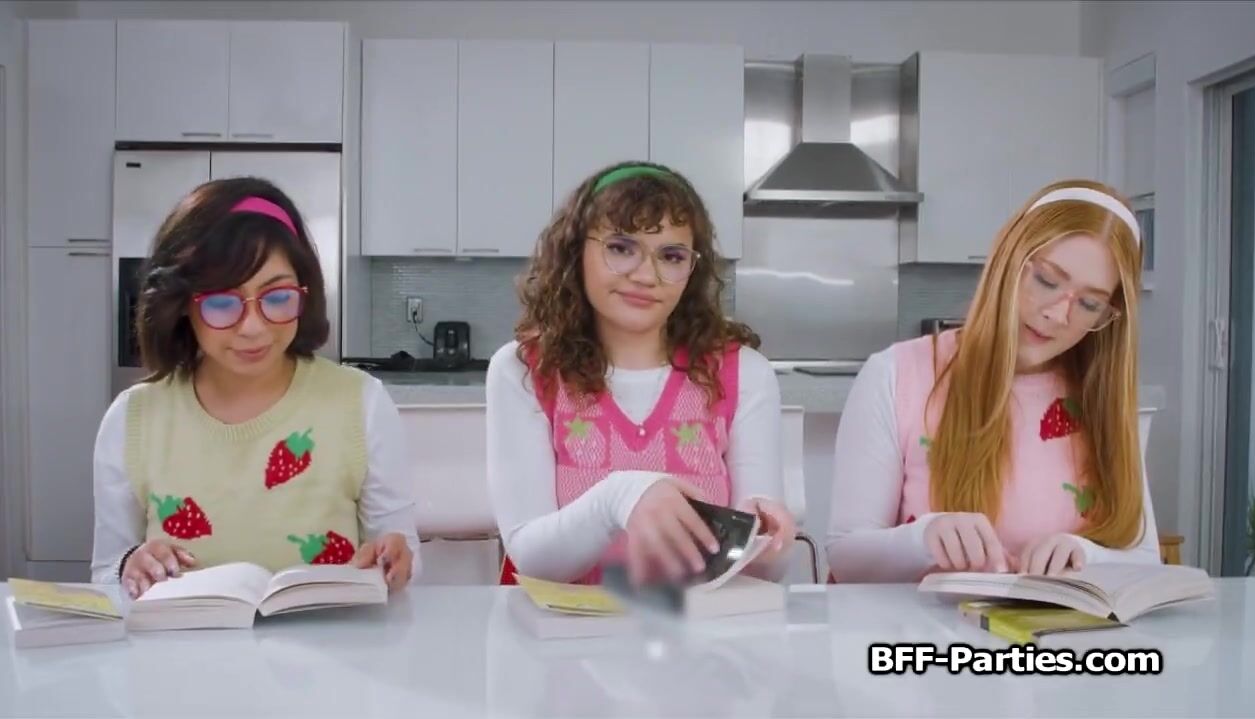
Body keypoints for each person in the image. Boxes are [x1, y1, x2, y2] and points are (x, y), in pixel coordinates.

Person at [91, 177, 419, 598]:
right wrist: (129, 566)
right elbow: (106, 573)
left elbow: (402, 554)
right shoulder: (133, 418)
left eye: (277, 297)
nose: (253, 327)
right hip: (183, 640)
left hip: (332, 639)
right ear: (183, 305)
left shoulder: (361, 403)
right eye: (221, 302)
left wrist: (395, 559)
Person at [827, 179, 1160, 583]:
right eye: (1047, 281)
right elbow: (845, 557)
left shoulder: (1101, 399)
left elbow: (1146, 560)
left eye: (1089, 304)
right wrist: (923, 539)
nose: (1058, 315)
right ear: (1008, 259)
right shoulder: (894, 375)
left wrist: (1085, 555)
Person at [486, 161, 796, 585]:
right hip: (562, 626)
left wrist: (768, 541)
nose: (647, 275)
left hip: (695, 624)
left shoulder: (744, 374)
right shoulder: (524, 371)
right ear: (576, 251)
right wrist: (620, 497)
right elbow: (534, 559)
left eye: (671, 256)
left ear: (692, 270)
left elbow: (765, 572)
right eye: (620, 248)